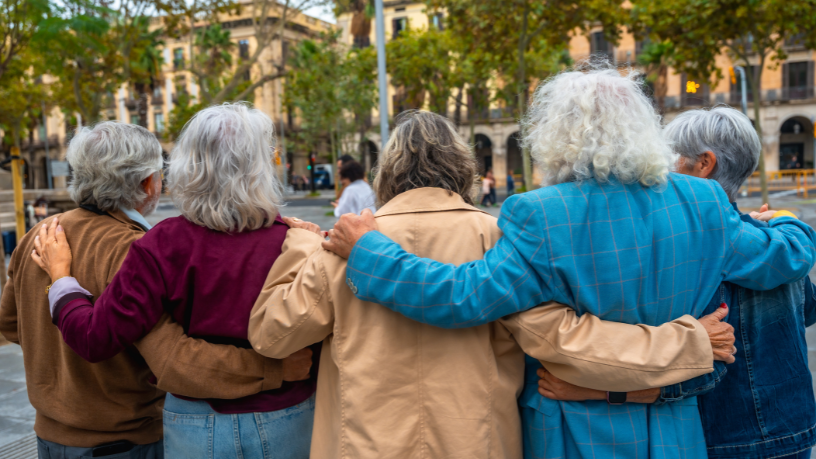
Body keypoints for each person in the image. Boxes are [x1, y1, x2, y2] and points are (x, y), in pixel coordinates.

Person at [322, 69, 816, 458]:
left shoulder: (540, 214)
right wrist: (790, 222)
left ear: (553, 136)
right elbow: (776, 261)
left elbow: (460, 297)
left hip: (573, 429)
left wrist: (370, 250)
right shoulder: (704, 201)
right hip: (675, 428)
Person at [246, 111, 736, 458]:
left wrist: (301, 244)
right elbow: (561, 338)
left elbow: (272, 334)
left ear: (386, 172)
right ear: (464, 168)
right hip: (478, 444)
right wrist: (690, 341)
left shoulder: (345, 242)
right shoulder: (499, 237)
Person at [0, 122, 302, 459]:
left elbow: (12, 323)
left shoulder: (40, 235)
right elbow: (176, 361)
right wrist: (276, 369)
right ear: (147, 183)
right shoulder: (135, 250)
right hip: (124, 440)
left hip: (49, 434)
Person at [538, 107, 816, 459]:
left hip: (727, 440)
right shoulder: (774, 240)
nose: (660, 169)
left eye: (669, 157)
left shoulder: (693, 245)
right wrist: (785, 222)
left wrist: (595, 390)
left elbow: (700, 372)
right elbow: (804, 311)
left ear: (704, 164)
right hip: (794, 432)